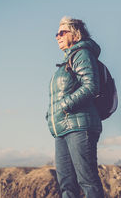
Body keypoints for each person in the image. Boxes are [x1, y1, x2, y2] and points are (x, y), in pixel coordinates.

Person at [46, 16, 104, 198]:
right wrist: (50, 115)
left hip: (80, 127)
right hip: (62, 128)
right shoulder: (67, 61)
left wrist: (63, 105)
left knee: (87, 182)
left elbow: (91, 86)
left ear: (76, 34)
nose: (58, 36)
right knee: (66, 186)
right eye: (57, 33)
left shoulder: (82, 53)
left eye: (62, 32)